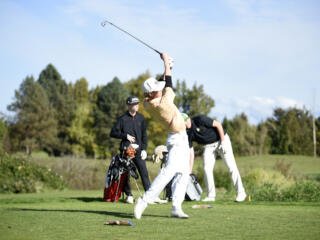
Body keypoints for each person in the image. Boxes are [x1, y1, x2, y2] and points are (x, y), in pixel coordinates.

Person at [134, 53, 190, 219]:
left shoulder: (147, 102)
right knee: (169, 171)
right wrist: (166, 63)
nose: (159, 89)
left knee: (183, 172)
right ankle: (144, 201)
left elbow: (160, 85)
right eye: (156, 89)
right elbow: (168, 85)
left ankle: (176, 207)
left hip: (181, 137)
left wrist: (167, 68)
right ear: (152, 93)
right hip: (177, 139)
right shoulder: (163, 102)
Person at [184, 114, 247, 202]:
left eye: (185, 121)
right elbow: (191, 153)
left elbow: (218, 125)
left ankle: (241, 193)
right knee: (207, 169)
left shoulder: (200, 119)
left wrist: (223, 141)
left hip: (221, 140)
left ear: (188, 119)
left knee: (231, 167)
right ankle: (211, 196)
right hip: (208, 147)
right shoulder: (186, 133)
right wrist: (189, 171)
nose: (184, 124)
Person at [110, 96, 152, 204]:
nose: (137, 105)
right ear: (129, 105)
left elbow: (144, 136)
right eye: (134, 104)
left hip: (138, 150)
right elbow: (113, 133)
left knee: (144, 172)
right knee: (127, 173)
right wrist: (125, 136)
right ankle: (129, 195)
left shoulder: (141, 118)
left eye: (137, 104)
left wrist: (144, 149)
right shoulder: (122, 119)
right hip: (127, 150)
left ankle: (149, 195)